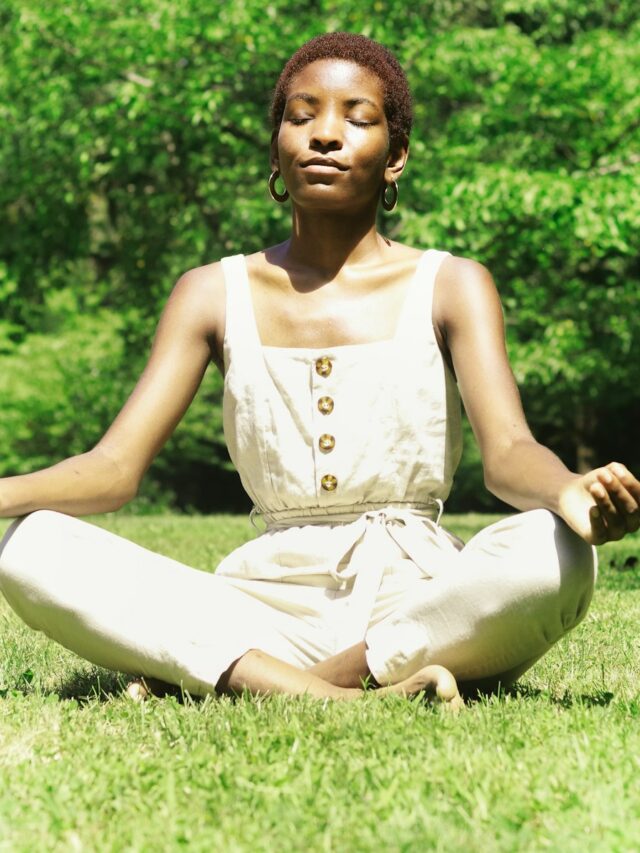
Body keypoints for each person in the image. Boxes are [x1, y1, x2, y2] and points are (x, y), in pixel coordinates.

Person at [0, 33, 638, 710]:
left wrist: (570, 491)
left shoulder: (452, 283)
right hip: (260, 607)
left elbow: (508, 453)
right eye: (301, 117)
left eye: (357, 119)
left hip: (419, 599)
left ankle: (255, 679)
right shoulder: (211, 292)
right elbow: (113, 468)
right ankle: (348, 695)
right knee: (30, 547)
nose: (326, 135)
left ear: (395, 156)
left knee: (558, 552)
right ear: (276, 148)